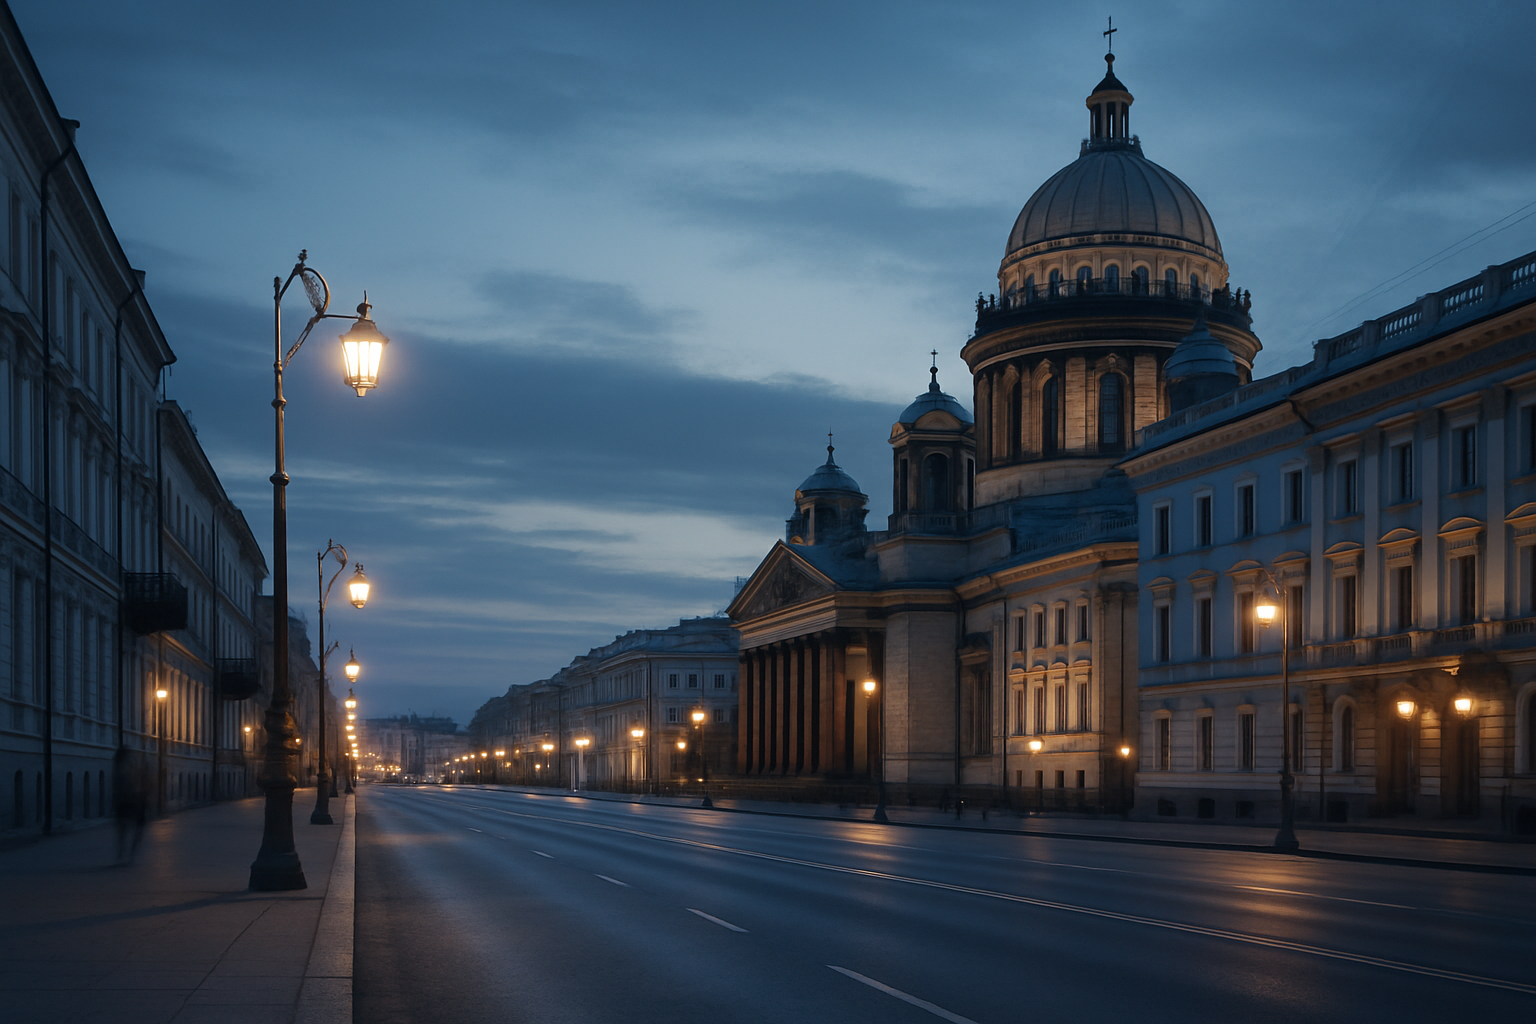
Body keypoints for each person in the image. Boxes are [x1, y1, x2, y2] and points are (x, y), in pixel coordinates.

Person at [113, 746, 147, 865]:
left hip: (122, 802)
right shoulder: (127, 768)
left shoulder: (119, 768)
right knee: (137, 828)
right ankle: (130, 854)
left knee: (123, 829)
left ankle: (123, 853)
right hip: (132, 801)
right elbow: (132, 785)